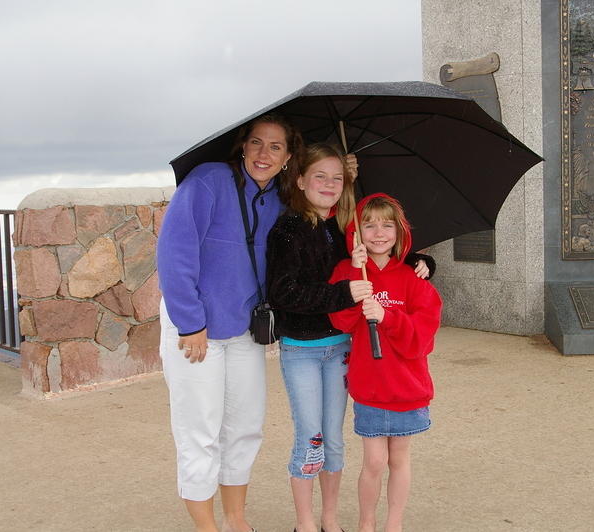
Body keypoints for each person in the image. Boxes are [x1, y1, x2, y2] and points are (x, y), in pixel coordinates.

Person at [267, 148, 432, 532]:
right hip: (304, 349)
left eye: (336, 178)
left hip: (340, 349)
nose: (328, 184)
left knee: (335, 441)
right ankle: (305, 523)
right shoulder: (288, 229)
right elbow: (286, 293)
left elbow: (383, 245)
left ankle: (329, 519)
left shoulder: (341, 229)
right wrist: (347, 292)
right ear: (301, 180)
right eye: (319, 176)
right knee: (312, 436)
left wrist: (421, 263)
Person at [157, 113, 303, 532]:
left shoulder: (282, 197)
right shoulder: (207, 181)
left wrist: (344, 176)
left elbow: (326, 218)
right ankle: (208, 528)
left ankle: (236, 520)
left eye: (276, 146)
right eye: (256, 142)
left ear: (288, 156)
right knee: (199, 431)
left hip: (243, 330)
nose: (264, 153)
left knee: (244, 427)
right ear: (242, 145)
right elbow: (174, 253)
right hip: (196, 328)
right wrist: (189, 323)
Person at [328, 193, 442, 532]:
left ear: (400, 232)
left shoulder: (412, 277)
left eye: (387, 225)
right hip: (371, 385)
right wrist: (354, 278)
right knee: (374, 461)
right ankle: (367, 524)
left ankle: (394, 524)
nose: (379, 233)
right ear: (356, 233)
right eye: (370, 225)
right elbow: (341, 321)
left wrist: (387, 316)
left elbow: (423, 337)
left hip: (407, 384)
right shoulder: (348, 271)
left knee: (398, 459)